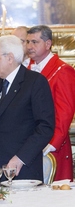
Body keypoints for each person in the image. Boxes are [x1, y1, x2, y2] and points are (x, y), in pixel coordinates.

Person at [0, 35, 55, 181]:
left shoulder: (35, 82)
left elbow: (45, 127)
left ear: (10, 58)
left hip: (22, 170)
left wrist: (20, 158)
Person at [26, 25, 75, 181]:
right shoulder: (27, 68)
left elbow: (65, 111)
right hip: (29, 142)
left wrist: (52, 144)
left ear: (48, 44)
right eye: (27, 42)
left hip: (52, 145)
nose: (29, 47)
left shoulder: (62, 70)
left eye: (34, 42)